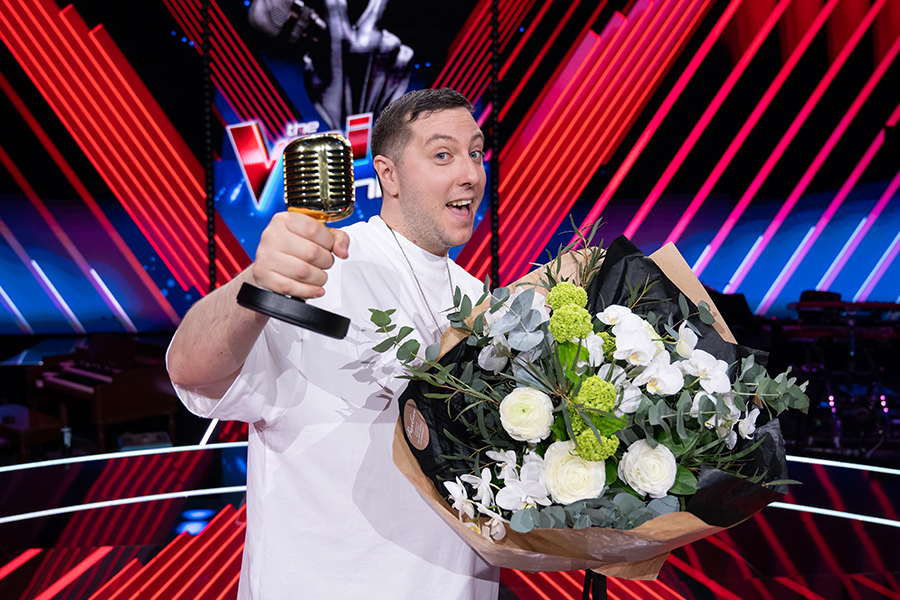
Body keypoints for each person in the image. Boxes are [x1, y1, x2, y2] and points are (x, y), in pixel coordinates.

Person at [166, 88, 498, 599]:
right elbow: (190, 370)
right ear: (388, 175)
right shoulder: (320, 269)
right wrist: (256, 284)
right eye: (442, 155)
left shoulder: (483, 303)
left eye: (475, 152)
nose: (471, 173)